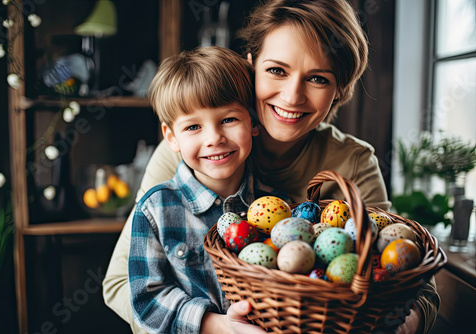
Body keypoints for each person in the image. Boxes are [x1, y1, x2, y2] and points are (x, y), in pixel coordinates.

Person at [103, 1, 439, 333]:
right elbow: (121, 285)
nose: (292, 97)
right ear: (251, 66)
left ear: (340, 89)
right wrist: (220, 327)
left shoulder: (352, 163)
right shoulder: (193, 149)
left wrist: (392, 326)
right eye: (277, 70)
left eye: (318, 78)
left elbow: (408, 279)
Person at [128, 46, 285, 334]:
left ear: (253, 122)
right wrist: (217, 326)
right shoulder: (156, 209)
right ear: (171, 137)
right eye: (193, 127)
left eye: (228, 120)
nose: (214, 138)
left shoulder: (275, 206)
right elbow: (147, 299)